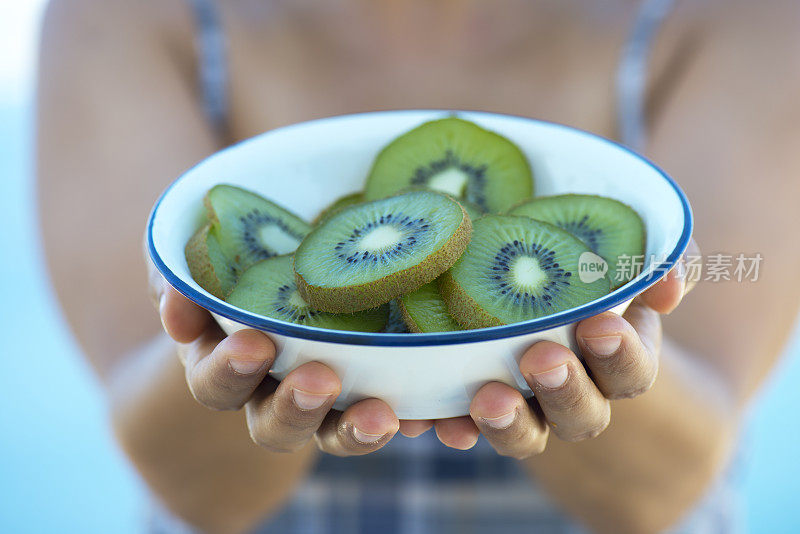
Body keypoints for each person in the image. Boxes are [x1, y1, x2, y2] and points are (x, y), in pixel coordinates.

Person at [36, 0, 800, 532]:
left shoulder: (746, 17)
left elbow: (660, 493)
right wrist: (251, 349)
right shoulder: (122, 13)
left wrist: (585, 348)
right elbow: (201, 494)